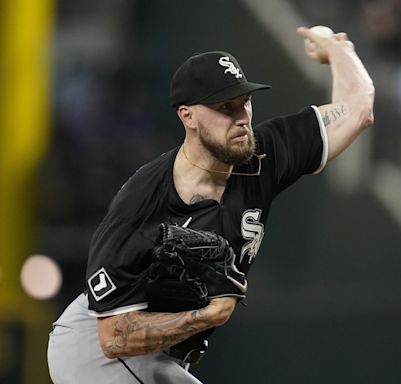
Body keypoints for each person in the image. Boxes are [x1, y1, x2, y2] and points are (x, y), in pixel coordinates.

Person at [47, 26, 374, 384]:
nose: (241, 117)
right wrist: (208, 315)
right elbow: (113, 337)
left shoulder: (266, 153)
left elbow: (358, 109)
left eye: (244, 101)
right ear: (188, 116)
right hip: (94, 349)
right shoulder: (144, 200)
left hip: (157, 359)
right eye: (224, 107)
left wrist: (337, 48)